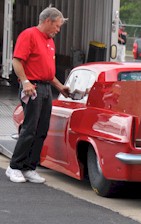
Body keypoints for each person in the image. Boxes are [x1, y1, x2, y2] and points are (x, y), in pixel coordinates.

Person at [5, 6, 70, 183]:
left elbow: (47, 72)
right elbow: (17, 61)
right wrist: (25, 82)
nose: (58, 30)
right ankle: (14, 167)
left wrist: (60, 86)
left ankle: (29, 167)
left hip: (46, 88)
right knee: (30, 128)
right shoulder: (29, 35)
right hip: (32, 87)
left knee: (42, 129)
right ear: (47, 21)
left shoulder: (49, 41)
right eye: (57, 26)